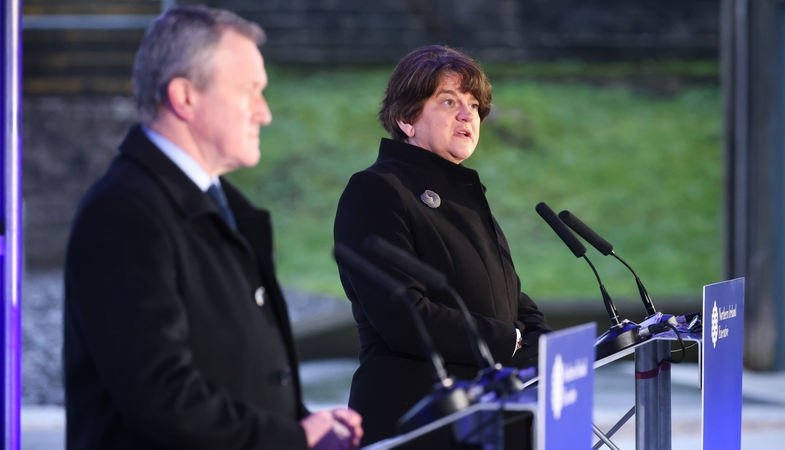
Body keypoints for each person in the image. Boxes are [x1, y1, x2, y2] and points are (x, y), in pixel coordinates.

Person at [64, 6, 362, 450]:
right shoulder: (123, 213)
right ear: (184, 97)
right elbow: (161, 398)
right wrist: (288, 439)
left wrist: (306, 425)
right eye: (248, 91)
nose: (264, 113)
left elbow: (231, 367)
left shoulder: (221, 206)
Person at [333, 45, 553, 448]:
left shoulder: (467, 195)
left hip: (492, 415)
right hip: (421, 419)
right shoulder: (376, 190)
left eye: (473, 104)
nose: (469, 114)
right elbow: (403, 315)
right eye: (449, 101)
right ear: (406, 118)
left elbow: (508, 296)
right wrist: (510, 340)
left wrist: (544, 344)